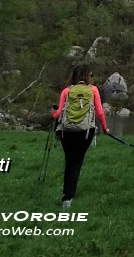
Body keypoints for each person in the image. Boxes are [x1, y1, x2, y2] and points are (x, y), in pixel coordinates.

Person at [51, 63, 110, 209]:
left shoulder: (67, 91)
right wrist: (105, 128)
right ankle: (69, 198)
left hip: (67, 131)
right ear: (87, 76)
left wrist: (53, 113)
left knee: (69, 162)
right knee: (76, 163)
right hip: (85, 131)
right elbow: (100, 112)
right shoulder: (93, 90)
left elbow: (58, 114)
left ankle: (66, 196)